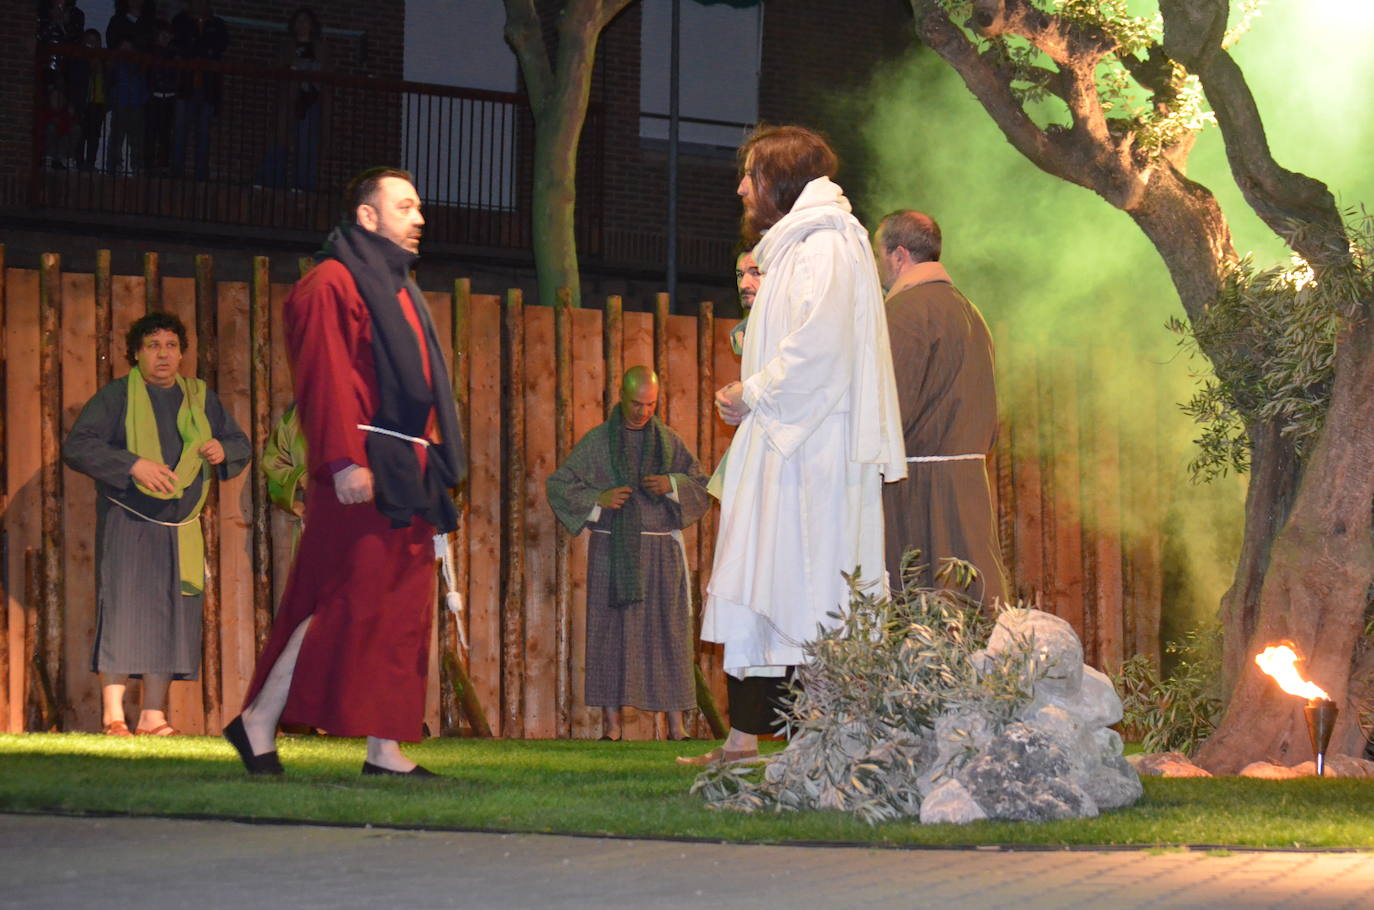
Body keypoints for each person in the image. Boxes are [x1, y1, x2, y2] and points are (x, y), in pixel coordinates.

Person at [225, 167, 467, 777]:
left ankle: (384, 747)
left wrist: (432, 458)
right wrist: (342, 461)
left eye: (419, 207)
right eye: (406, 206)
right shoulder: (330, 285)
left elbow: (420, 388)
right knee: (344, 602)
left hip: (405, 467)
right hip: (361, 466)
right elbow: (324, 380)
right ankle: (258, 719)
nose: (419, 218)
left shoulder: (397, 288)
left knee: (397, 609)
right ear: (367, 216)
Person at [681, 125, 906, 766]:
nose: (741, 188)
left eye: (750, 175)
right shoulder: (795, 248)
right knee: (769, 585)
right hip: (786, 447)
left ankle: (819, 742)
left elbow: (820, 349)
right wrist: (750, 393)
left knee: (809, 590)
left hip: (815, 456)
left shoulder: (826, 247)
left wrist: (755, 392)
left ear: (778, 181)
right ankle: (748, 738)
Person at [63, 312, 251, 736]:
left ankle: (152, 716)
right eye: (152, 346)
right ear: (136, 354)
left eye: (170, 345)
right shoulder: (117, 396)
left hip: (180, 524)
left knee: (172, 613)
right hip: (128, 519)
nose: (162, 354)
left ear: (182, 354)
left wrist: (222, 448)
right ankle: (113, 717)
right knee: (123, 608)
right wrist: (133, 464)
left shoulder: (200, 397)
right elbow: (79, 446)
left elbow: (239, 443)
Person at [546, 366, 711, 741]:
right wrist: (597, 500)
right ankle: (612, 727)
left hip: (660, 551)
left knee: (669, 634)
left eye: (651, 404)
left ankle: (676, 727)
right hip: (613, 549)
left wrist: (671, 484)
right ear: (621, 396)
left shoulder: (669, 443)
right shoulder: (599, 442)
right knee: (610, 633)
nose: (643, 412)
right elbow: (559, 485)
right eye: (637, 404)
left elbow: (702, 486)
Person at [874, 210, 1008, 605]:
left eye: (879, 254)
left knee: (920, 615)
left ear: (899, 256)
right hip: (968, 484)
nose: (878, 267)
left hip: (918, 491)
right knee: (969, 604)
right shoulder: (970, 311)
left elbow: (889, 412)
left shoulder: (905, 312)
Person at [258, 6, 329, 190]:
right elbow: (278, 67)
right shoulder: (287, 46)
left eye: (305, 21)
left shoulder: (319, 47)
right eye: (299, 21)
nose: (302, 25)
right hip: (289, 96)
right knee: (278, 139)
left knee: (306, 142)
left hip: (310, 99)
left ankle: (303, 184)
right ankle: (272, 180)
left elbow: (324, 71)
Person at [171, 0, 228, 180]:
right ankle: (176, 172)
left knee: (203, 131)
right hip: (184, 85)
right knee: (180, 129)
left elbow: (220, 46)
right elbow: (182, 45)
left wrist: (201, 52)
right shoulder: (180, 21)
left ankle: (201, 174)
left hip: (208, 87)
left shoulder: (217, 24)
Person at [729, 247, 761, 356]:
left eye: (756, 273)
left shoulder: (792, 327)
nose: (743, 285)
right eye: (740, 275)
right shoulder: (741, 335)